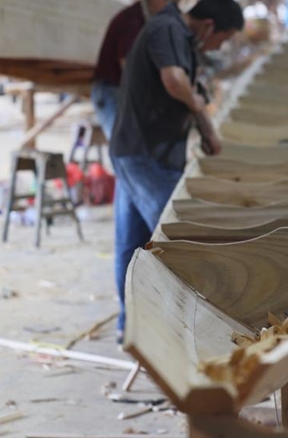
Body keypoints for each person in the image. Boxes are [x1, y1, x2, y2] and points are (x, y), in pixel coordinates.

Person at [109, 0, 244, 342]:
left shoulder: (181, 38)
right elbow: (174, 80)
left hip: (141, 152)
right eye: (223, 38)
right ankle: (171, 334)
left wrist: (208, 131)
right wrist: (197, 105)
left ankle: (132, 328)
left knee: (131, 243)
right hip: (145, 155)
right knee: (171, 244)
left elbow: (190, 87)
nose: (219, 47)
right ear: (209, 25)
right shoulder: (167, 27)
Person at [91, 0, 170, 140]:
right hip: (112, 91)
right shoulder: (132, 21)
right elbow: (131, 69)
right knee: (126, 145)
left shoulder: (151, 20)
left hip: (125, 90)